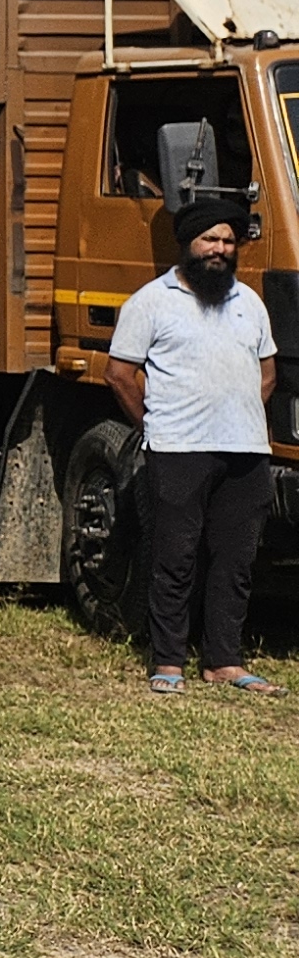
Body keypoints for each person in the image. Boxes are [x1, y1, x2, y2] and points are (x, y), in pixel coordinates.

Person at [109, 195, 280, 697]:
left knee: (235, 558)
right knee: (175, 556)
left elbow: (266, 373)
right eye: (210, 239)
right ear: (188, 244)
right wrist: (157, 424)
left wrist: (240, 413)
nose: (220, 249)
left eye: (228, 241)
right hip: (178, 449)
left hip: (246, 450)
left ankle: (224, 660)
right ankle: (168, 660)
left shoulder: (249, 302)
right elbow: (119, 374)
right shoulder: (151, 302)